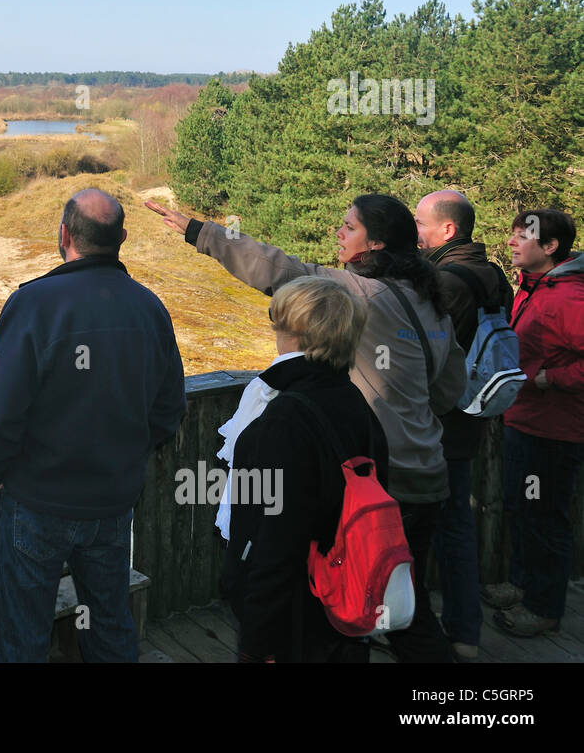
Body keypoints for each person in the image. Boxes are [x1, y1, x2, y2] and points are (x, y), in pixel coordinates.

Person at [147, 193, 465, 663]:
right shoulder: (429, 301)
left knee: (391, 614)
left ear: (374, 244)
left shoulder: (357, 293)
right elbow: (449, 388)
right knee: (396, 599)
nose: (340, 233)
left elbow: (277, 269)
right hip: (429, 477)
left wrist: (201, 232)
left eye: (350, 227)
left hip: (377, 482)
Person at [0, 188, 186, 663]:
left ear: (64, 234)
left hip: (36, 500)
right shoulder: (149, 308)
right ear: (122, 239)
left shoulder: (34, 304)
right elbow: (169, 407)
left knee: (24, 633)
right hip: (111, 503)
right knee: (109, 624)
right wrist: (126, 456)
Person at [221, 276, 390, 662]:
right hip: (344, 595)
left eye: (278, 322)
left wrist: (256, 642)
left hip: (294, 617)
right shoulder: (357, 405)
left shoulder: (286, 416)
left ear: (293, 333)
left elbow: (274, 538)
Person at [414, 189, 513, 660]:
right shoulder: (494, 275)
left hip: (436, 424)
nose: (415, 232)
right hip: (471, 418)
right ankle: (465, 634)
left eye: (419, 223)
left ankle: (414, 630)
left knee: (420, 528)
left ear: (447, 230)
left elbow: (422, 357)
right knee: (457, 527)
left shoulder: (445, 282)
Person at [488, 209, 584, 637]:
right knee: (522, 508)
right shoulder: (536, 287)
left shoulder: (568, 298)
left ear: (550, 248)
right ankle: (523, 584)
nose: (512, 242)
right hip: (525, 422)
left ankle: (543, 607)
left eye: (522, 236)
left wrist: (552, 378)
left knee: (543, 517)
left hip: (552, 432)